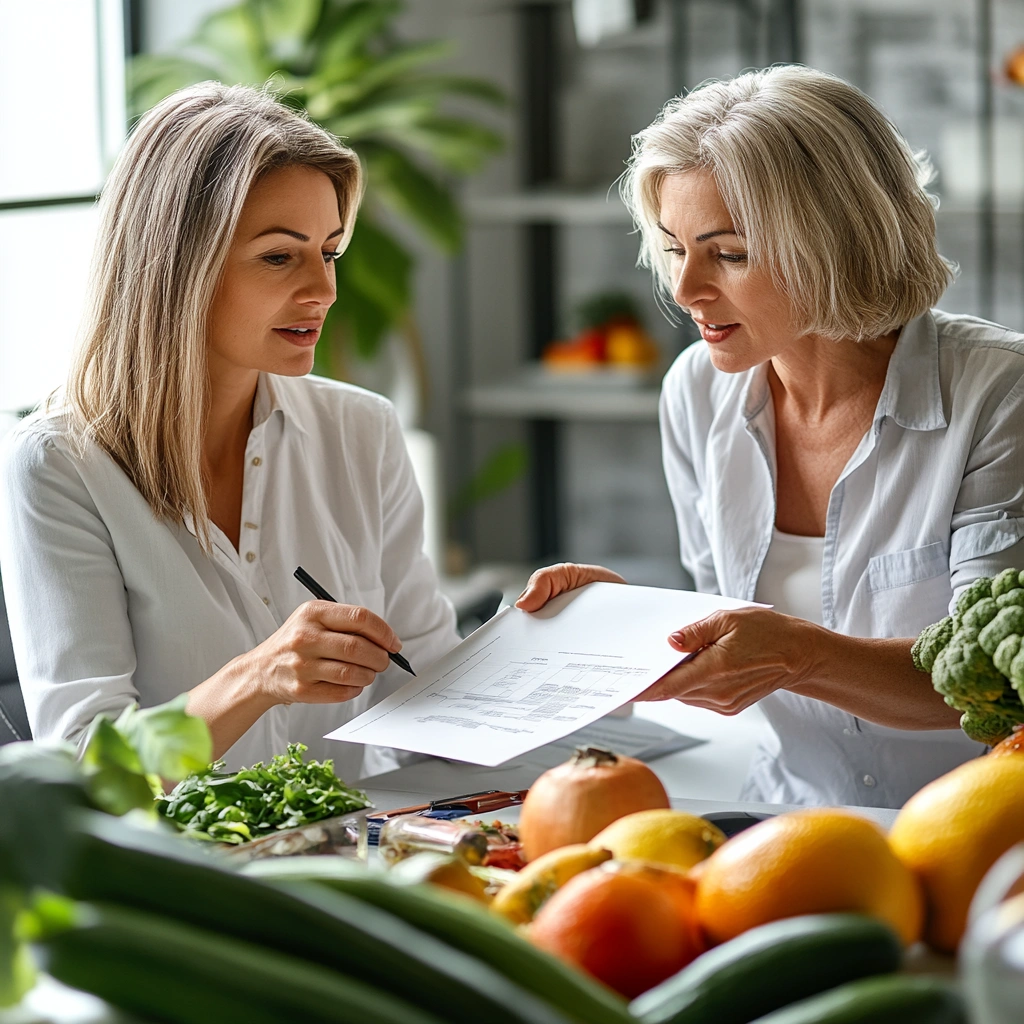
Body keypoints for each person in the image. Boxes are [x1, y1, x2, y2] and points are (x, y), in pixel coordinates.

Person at [517, 65, 1024, 808]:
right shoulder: (697, 390)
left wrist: (797, 654)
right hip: (790, 824)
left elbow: (995, 684)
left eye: (729, 253)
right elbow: (733, 634)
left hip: (983, 839)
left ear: (836, 242)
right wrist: (620, 630)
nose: (686, 290)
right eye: (674, 247)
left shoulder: (999, 393)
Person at [0, 83, 459, 779]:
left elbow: (430, 695)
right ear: (178, 268)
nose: (324, 289)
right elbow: (87, 767)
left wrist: (554, 641)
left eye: (329, 252)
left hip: (349, 861)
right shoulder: (59, 465)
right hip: (179, 881)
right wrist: (258, 678)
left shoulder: (362, 430)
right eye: (280, 257)